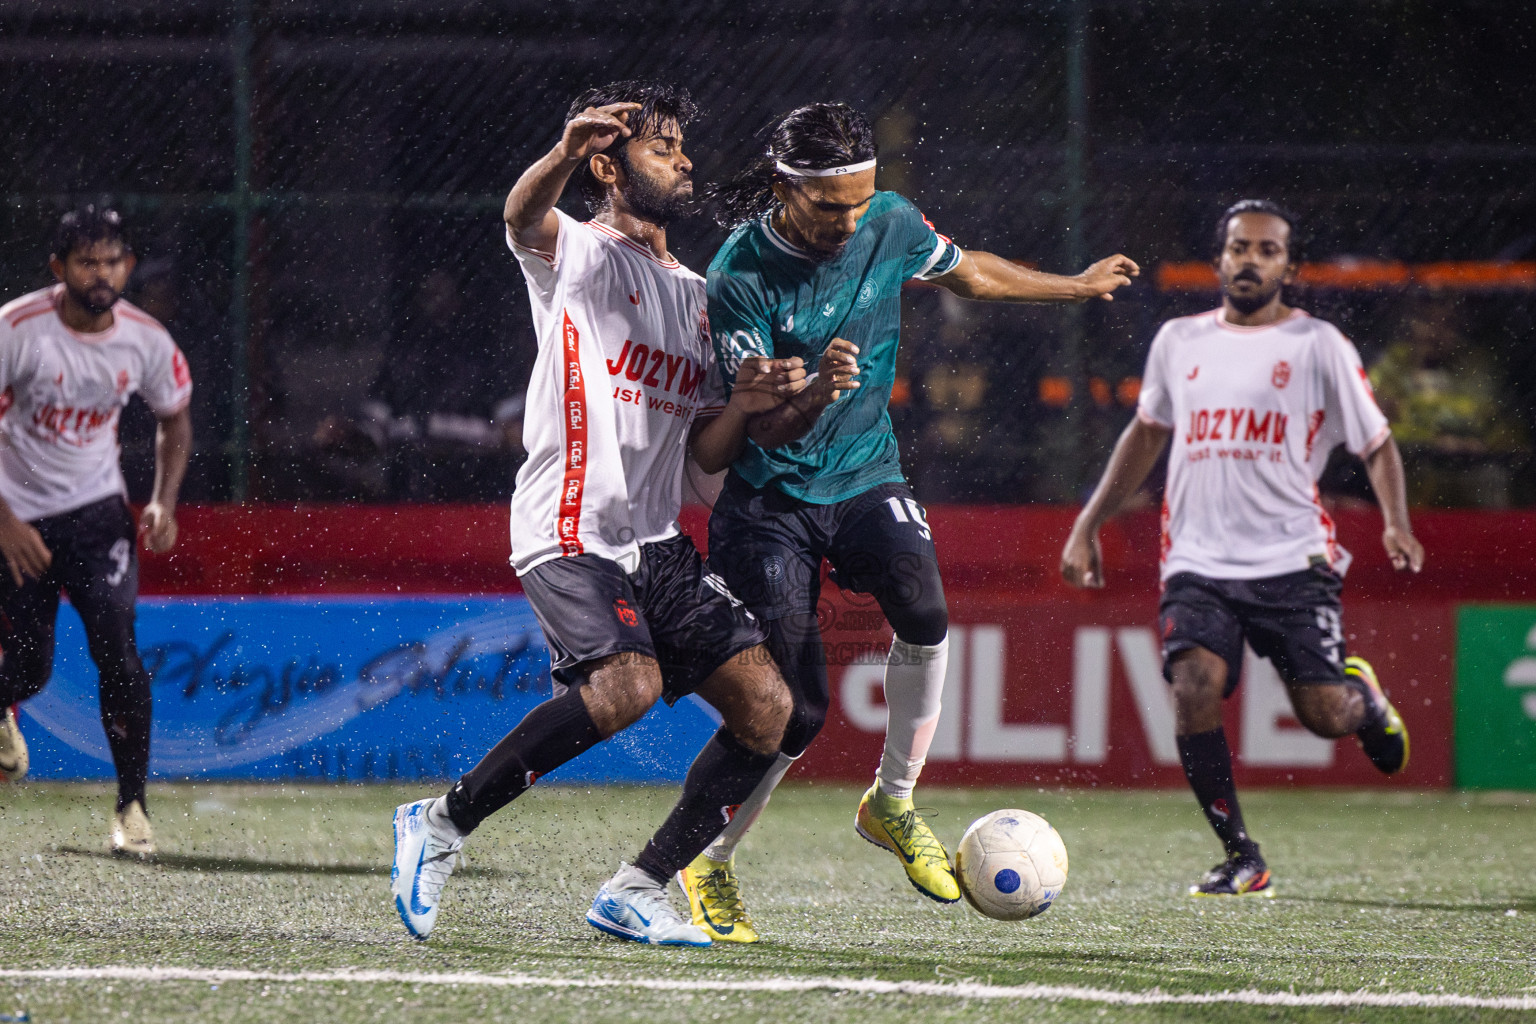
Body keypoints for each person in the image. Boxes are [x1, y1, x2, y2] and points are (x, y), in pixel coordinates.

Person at [679, 101, 1139, 937]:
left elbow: (969, 272)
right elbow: (762, 425)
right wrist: (817, 389)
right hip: (770, 500)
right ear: (786, 188)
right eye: (831, 206)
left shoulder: (888, 222)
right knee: (792, 714)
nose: (850, 219)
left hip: (864, 474)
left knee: (925, 613)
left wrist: (1073, 285)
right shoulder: (739, 273)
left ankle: (891, 803)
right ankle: (708, 864)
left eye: (862, 200)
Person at [390, 81, 815, 947]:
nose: (685, 158)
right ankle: (440, 824)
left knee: (772, 712)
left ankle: (637, 886)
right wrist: (557, 149)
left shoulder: (700, 296)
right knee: (627, 686)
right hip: (568, 526)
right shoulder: (576, 252)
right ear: (606, 167)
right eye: (663, 147)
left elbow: (705, 460)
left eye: (682, 146)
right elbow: (518, 217)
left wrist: (762, 403)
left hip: (656, 542)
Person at [1060, 200, 1424, 896]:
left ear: (1289, 265)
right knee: (1192, 686)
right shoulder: (1178, 340)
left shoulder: (1319, 344)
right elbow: (1145, 435)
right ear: (1220, 257)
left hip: (1292, 562)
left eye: (1266, 249)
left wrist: (1394, 520)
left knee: (1324, 715)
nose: (1249, 260)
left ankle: (1365, 699)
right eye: (1237, 247)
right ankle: (1241, 854)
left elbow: (1374, 442)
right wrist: (1087, 523)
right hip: (1197, 562)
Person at [0, 205, 193, 859]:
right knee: (29, 667)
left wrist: (163, 501)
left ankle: (131, 807)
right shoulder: (17, 329)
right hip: (17, 516)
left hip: (96, 515)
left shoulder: (144, 340)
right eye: (87, 261)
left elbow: (174, 417)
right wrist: (5, 522)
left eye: (113, 260)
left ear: (128, 267)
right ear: (59, 269)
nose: (102, 273)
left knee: (118, 646)